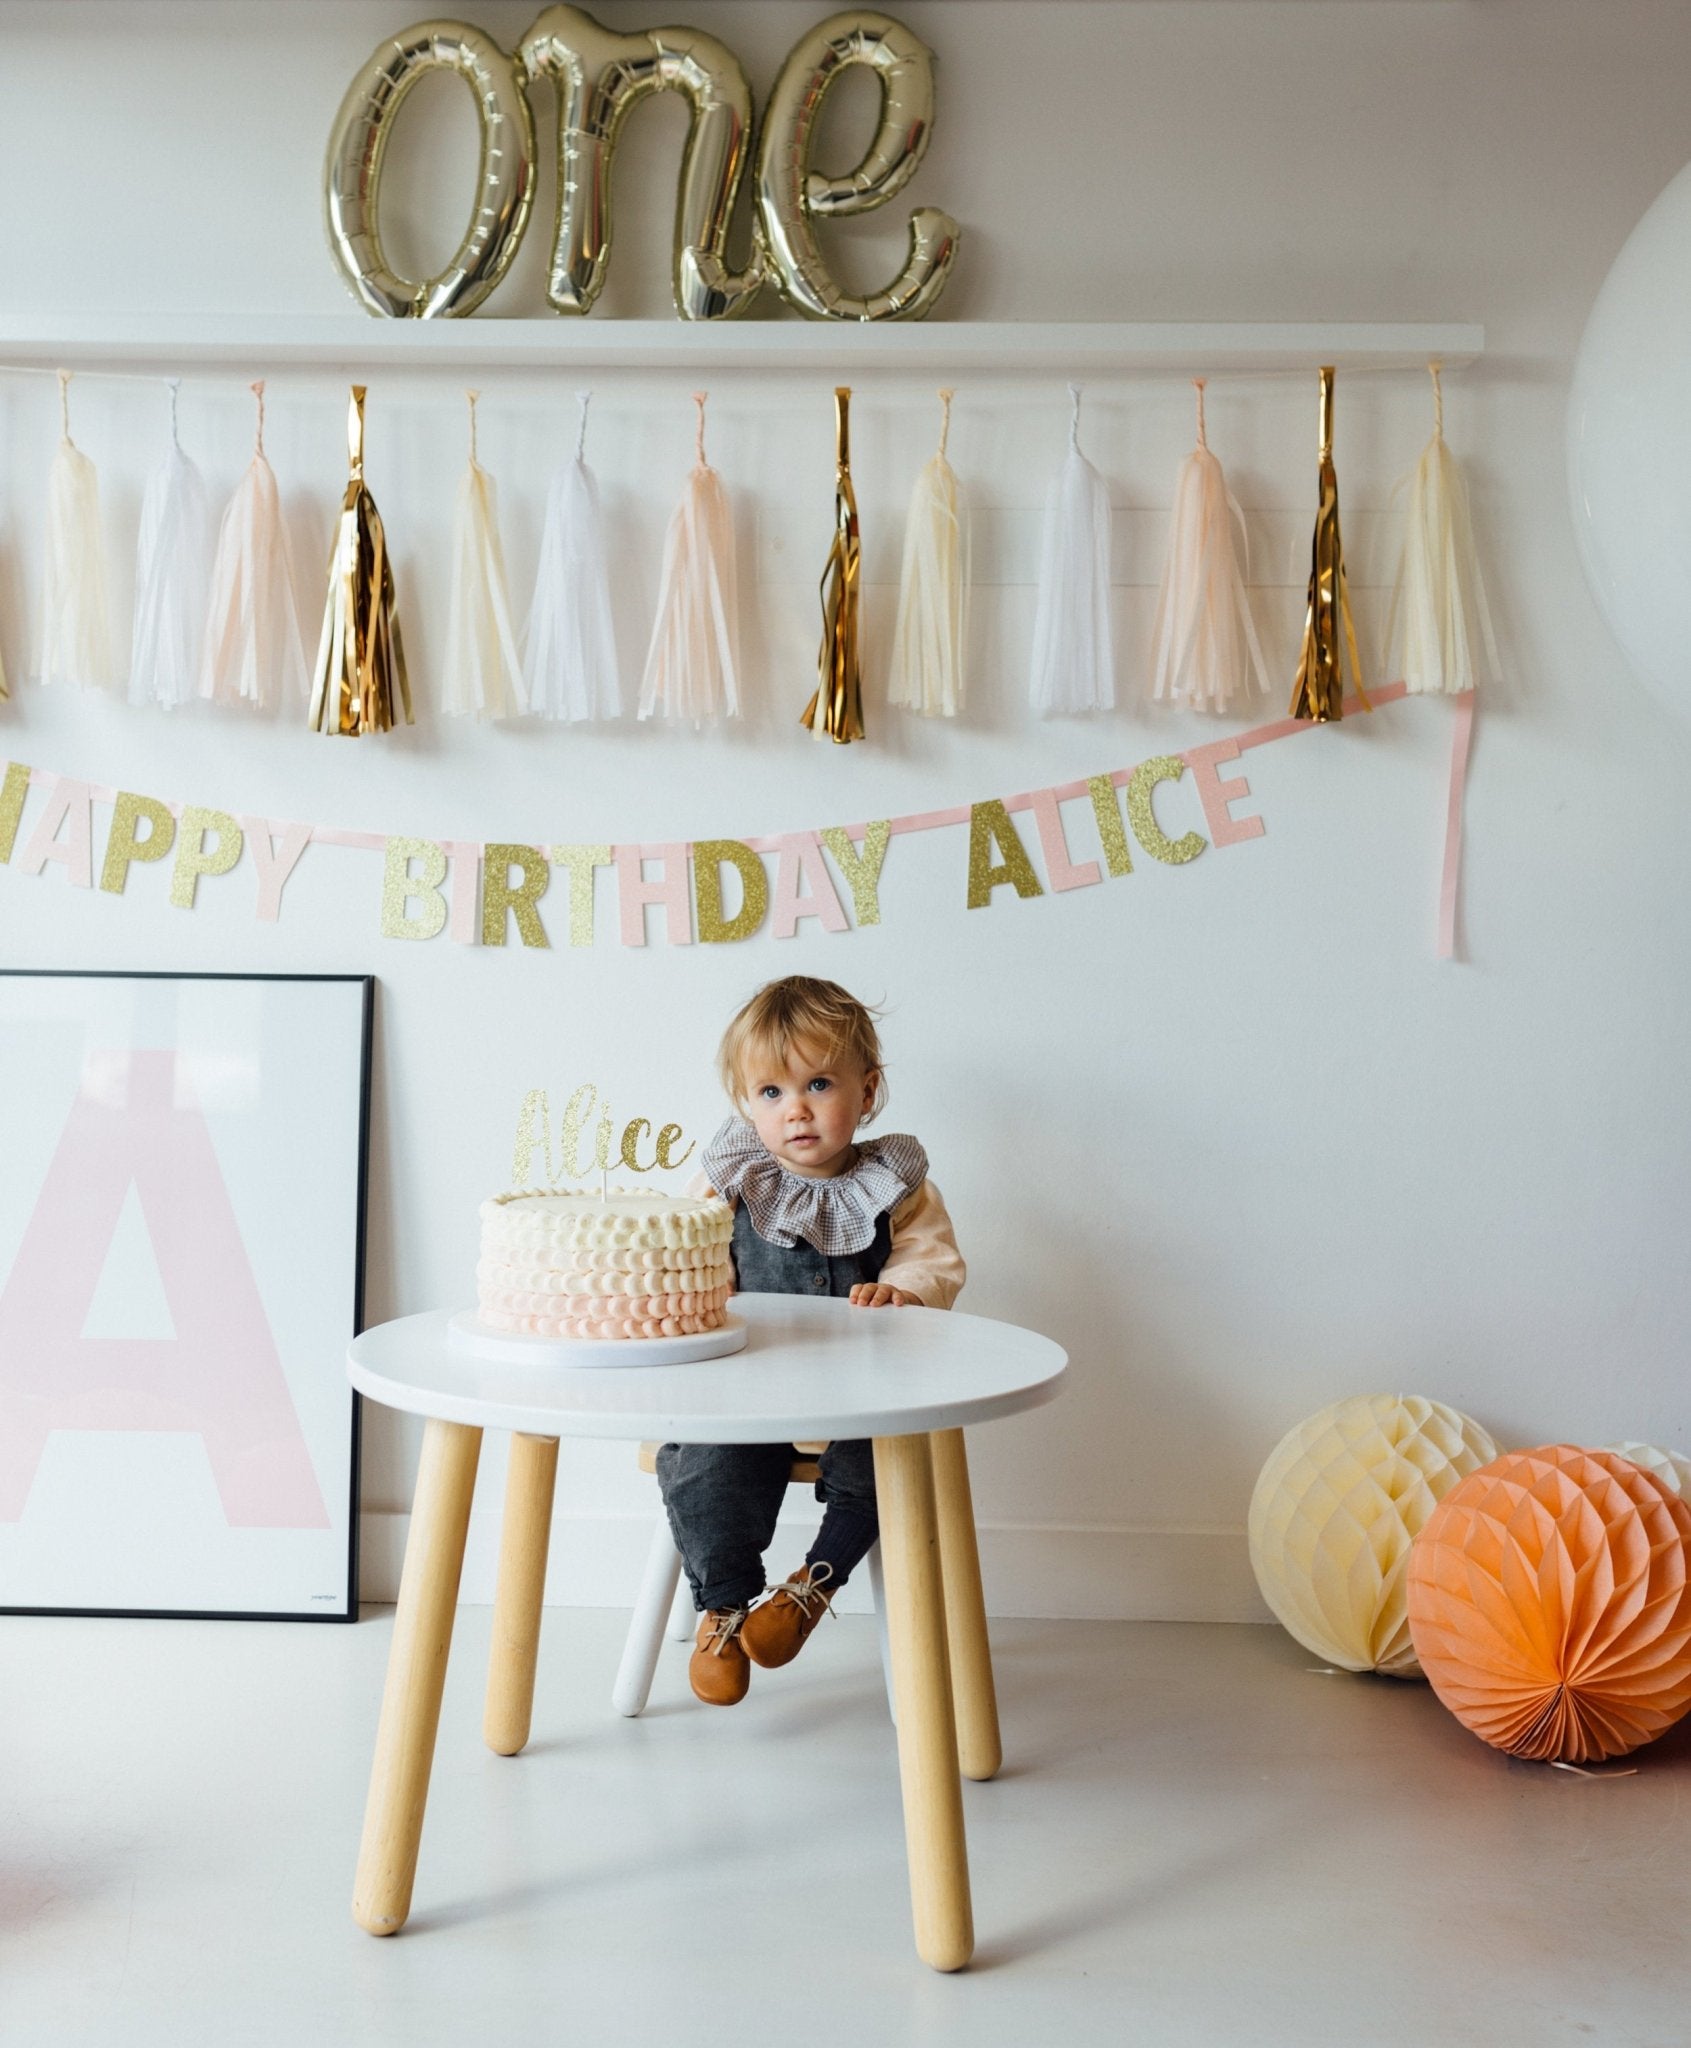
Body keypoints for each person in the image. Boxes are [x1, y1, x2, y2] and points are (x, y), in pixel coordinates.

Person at [658, 975, 965, 1706]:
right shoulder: (731, 1182)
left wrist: (903, 1289)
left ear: (867, 1091)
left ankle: (814, 1583)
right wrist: (711, 1288)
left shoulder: (896, 1185)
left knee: (892, 1458)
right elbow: (685, 1254)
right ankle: (723, 1607)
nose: (795, 1109)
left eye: (818, 1084)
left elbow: (932, 1259)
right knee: (707, 1464)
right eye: (771, 1092)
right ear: (746, 1103)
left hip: (863, 1389)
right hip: (750, 1388)